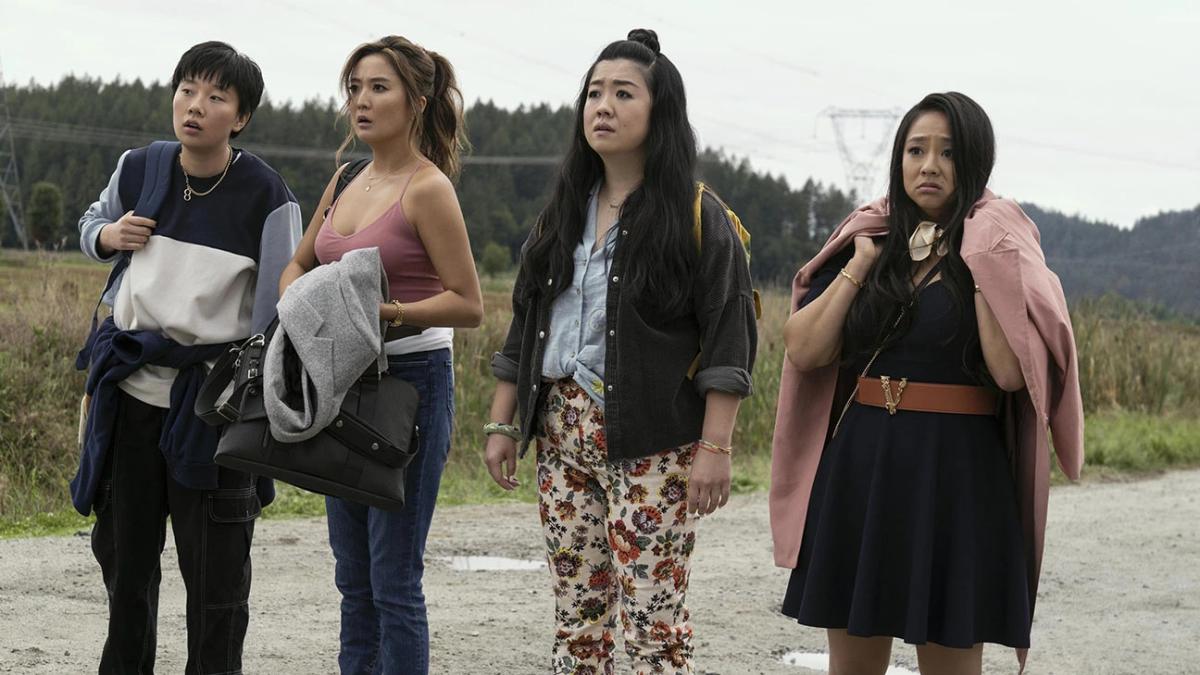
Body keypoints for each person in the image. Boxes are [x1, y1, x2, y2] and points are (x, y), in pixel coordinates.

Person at [770, 91, 1084, 675]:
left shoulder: (999, 243)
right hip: (864, 466)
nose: (929, 165)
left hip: (956, 472)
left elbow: (1010, 373)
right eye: (916, 150)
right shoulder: (871, 238)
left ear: (976, 163)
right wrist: (861, 266)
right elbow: (805, 348)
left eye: (947, 152)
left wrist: (984, 261)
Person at [483, 28, 757, 674]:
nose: (602, 106)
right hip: (562, 435)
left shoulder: (696, 216)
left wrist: (715, 448)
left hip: (654, 445)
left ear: (660, 113)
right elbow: (525, 323)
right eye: (594, 93)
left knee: (654, 623)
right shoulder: (561, 213)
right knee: (577, 618)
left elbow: (728, 336)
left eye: (623, 94)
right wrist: (503, 421)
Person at [75, 41, 302, 674]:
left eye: (216, 97)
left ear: (242, 116)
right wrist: (108, 235)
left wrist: (253, 406)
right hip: (129, 400)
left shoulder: (266, 195)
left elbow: (276, 312)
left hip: (210, 407)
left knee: (217, 587)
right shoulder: (141, 167)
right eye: (187, 90)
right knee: (125, 573)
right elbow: (90, 223)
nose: (195, 107)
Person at [277, 35, 482, 675]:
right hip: (341, 379)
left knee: (394, 580)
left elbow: (468, 303)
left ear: (415, 101)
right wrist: (301, 306)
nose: (361, 102)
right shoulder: (345, 179)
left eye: (378, 88)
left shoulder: (428, 190)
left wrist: (386, 315)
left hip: (411, 385)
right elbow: (299, 263)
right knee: (353, 578)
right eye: (354, 89)